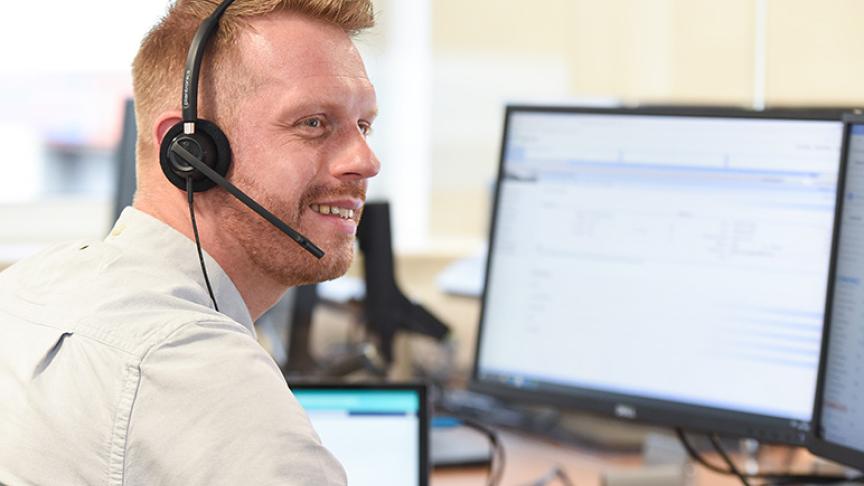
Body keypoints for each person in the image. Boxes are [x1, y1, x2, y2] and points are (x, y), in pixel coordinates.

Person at [0, 0, 379, 484]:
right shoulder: (206, 378)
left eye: (364, 126)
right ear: (188, 152)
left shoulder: (30, 285)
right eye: (313, 123)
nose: (366, 161)